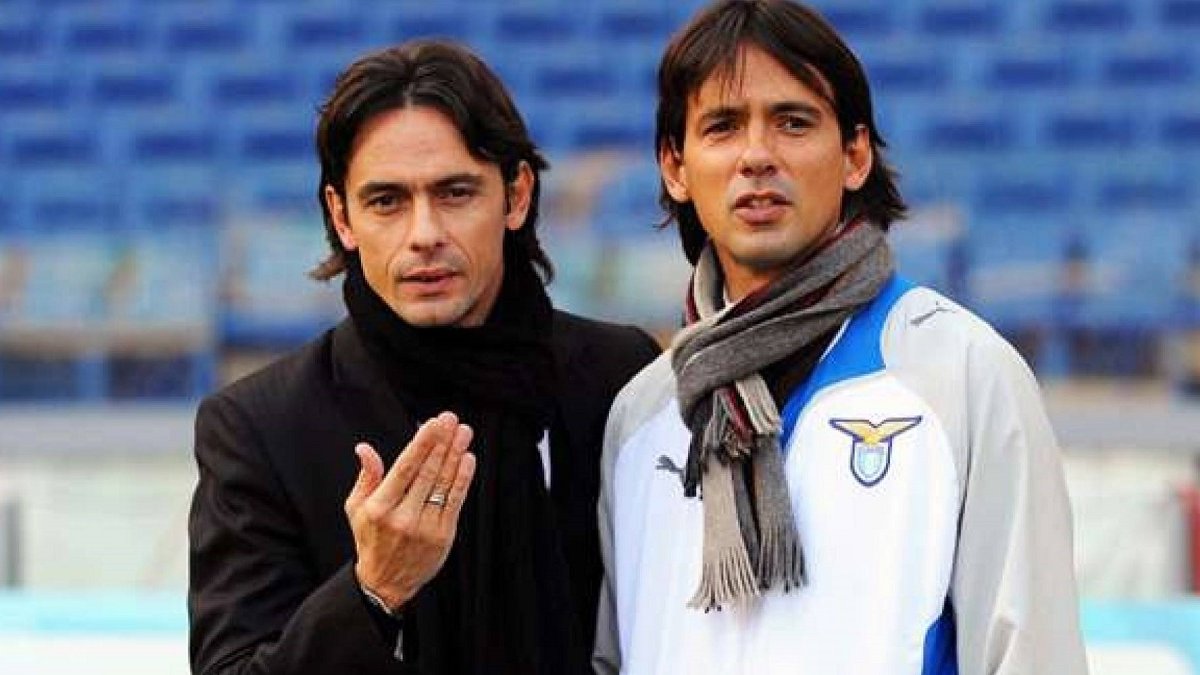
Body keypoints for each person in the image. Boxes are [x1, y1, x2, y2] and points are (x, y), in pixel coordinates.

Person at [594, 2, 1088, 674]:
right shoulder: (642, 415)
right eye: (723, 126)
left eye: (793, 122)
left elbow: (1033, 654)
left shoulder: (963, 375)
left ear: (856, 156)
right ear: (674, 168)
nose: (757, 156)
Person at [188, 40, 659, 675]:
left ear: (517, 195)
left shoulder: (620, 378)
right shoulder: (260, 427)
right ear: (341, 216)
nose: (424, 234)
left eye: (455, 193)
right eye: (387, 201)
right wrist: (374, 590)